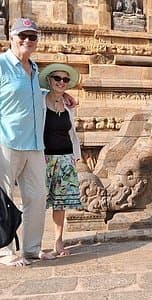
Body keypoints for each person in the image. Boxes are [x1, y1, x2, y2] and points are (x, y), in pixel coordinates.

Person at [0, 18, 76, 266]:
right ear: (11, 37)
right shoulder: (2, 66)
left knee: (38, 196)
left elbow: (34, 96)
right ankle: (5, 251)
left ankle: (31, 249)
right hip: (7, 141)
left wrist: (62, 94)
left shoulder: (33, 70)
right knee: (4, 195)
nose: (27, 41)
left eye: (32, 37)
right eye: (22, 36)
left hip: (34, 144)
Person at [39, 63, 82, 256]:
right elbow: (30, 88)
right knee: (38, 200)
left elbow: (72, 133)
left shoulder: (67, 106)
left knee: (60, 202)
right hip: (43, 158)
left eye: (65, 80)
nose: (61, 82)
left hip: (65, 158)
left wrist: (75, 157)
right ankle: (35, 242)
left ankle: (58, 240)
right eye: (57, 78)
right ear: (49, 80)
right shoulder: (39, 99)